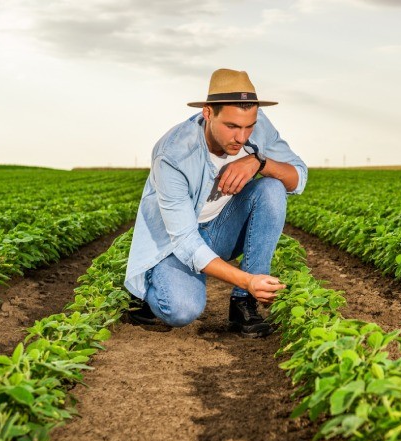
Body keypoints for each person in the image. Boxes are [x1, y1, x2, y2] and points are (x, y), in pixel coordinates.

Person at [124, 68, 307, 338]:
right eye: (232, 126)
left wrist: (260, 162)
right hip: (175, 243)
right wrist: (248, 278)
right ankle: (144, 290)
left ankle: (244, 303)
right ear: (208, 113)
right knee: (181, 310)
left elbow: (298, 176)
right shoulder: (173, 154)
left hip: (222, 228)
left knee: (272, 187)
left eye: (249, 126)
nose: (242, 137)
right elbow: (186, 241)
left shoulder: (258, 125)